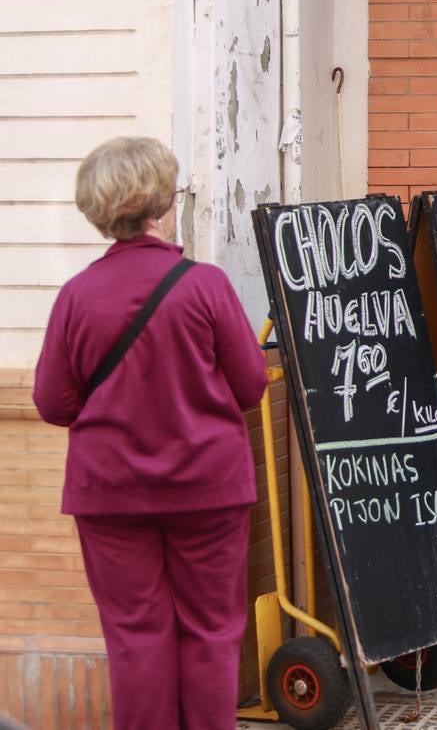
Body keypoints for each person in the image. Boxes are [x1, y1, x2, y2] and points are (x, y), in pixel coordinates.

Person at [33, 137, 267, 730]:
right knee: (212, 634)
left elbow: (53, 403)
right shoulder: (205, 285)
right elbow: (249, 387)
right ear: (161, 203)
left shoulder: (76, 297)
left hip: (110, 492)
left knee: (136, 637)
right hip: (208, 489)